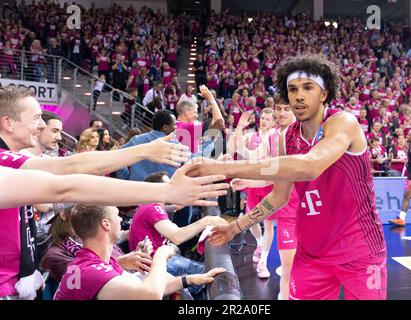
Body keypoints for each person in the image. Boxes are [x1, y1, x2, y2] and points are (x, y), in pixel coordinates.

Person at [188, 54, 387, 300]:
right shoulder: (285, 138)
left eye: (307, 88)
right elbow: (279, 196)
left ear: (324, 93)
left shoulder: (342, 122)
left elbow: (310, 166)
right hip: (312, 253)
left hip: (360, 250)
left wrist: (224, 168)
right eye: (292, 89)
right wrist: (235, 227)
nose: (298, 96)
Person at [0, 85, 227, 299]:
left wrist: (145, 152)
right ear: (8, 123)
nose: (41, 125)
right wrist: (164, 189)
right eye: (36, 118)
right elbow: (68, 176)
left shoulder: (15, 160)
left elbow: (70, 170)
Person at [54, 205, 225, 300]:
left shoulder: (100, 262)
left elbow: (145, 288)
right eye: (116, 215)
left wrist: (190, 280)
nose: (121, 219)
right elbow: (150, 294)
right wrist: (162, 254)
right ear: (106, 224)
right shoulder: (91, 271)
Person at [230, 94, 299, 299]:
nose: (281, 113)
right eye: (278, 108)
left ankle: (263, 254)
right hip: (285, 205)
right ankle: (263, 258)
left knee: (307, 269)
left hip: (309, 210)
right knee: (288, 271)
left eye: (286, 108)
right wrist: (240, 128)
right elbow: (249, 158)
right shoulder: (271, 138)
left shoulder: (311, 135)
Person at [128, 171, 228, 298]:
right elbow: (177, 236)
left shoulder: (148, 205)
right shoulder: (152, 208)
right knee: (209, 274)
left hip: (151, 263)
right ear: (158, 189)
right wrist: (207, 220)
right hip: (156, 265)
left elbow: (175, 207)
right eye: (168, 185)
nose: (172, 188)